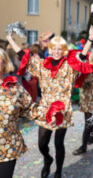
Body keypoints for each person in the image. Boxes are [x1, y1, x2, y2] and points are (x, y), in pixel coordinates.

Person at [6, 25, 93, 178]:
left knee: (58, 143)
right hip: (45, 107)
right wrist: (10, 39)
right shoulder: (41, 64)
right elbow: (24, 55)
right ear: (49, 50)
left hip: (63, 109)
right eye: (53, 49)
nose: (56, 52)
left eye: (59, 49)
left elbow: (81, 57)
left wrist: (90, 38)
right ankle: (48, 159)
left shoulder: (69, 65)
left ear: (63, 50)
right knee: (42, 143)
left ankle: (58, 172)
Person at [0, 48, 56, 178]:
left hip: (7, 147)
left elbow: (30, 108)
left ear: (4, 63)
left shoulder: (14, 88)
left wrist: (48, 115)